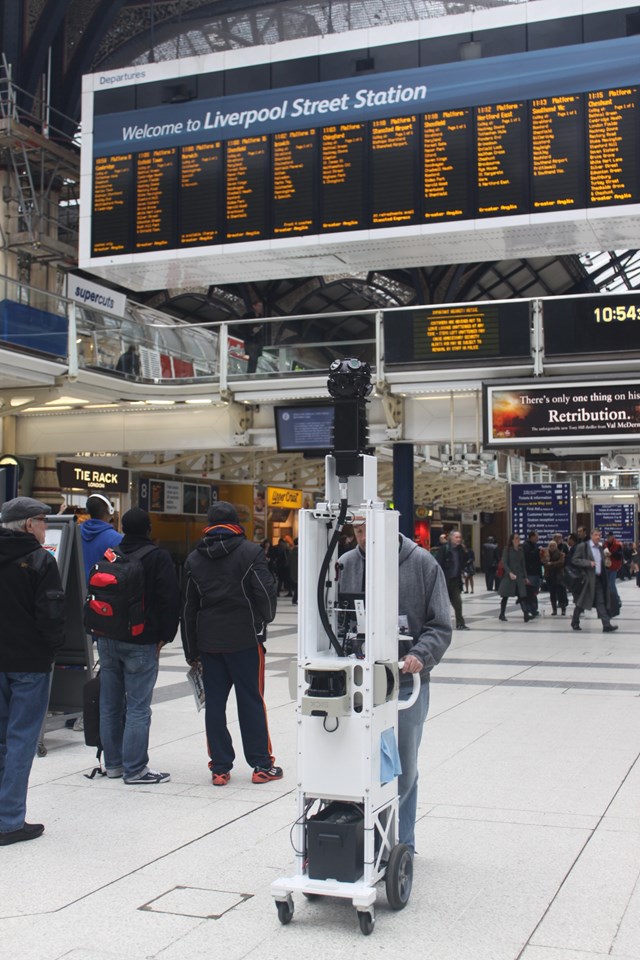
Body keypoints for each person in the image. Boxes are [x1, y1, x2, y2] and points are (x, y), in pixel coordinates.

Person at [338, 520, 451, 854]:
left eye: (368, 529)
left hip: (404, 682)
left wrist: (421, 653)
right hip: (358, 682)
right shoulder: (346, 564)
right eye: (357, 531)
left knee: (402, 765)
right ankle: (361, 838)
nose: (362, 537)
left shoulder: (422, 563)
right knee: (356, 762)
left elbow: (441, 623)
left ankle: (402, 844)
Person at [181, 501, 281, 786]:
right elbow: (264, 592)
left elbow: (188, 608)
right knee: (251, 700)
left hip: (209, 643)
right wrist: (264, 621)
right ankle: (262, 765)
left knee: (214, 704)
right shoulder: (250, 552)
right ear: (236, 522)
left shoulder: (193, 560)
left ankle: (220, 768)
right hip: (246, 640)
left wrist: (192, 651)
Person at [97, 508, 180, 784]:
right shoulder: (158, 557)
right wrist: (164, 637)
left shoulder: (111, 554)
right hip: (141, 641)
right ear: (148, 528)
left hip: (108, 638)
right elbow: (170, 600)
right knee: (138, 707)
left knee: (110, 705)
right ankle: (135, 769)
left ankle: (114, 765)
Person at [0, 497, 66, 845]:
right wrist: (52, 649)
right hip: (29, 664)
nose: (45, 526)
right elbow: (51, 616)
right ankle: (10, 820)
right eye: (42, 520)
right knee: (22, 739)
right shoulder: (41, 560)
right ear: (28, 524)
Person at [570, 529, 618, 633]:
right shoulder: (584, 546)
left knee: (600, 602)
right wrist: (588, 563)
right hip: (587, 580)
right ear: (591, 536)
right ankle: (575, 621)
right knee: (581, 602)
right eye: (596, 535)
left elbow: (600, 562)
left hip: (598, 579)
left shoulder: (600, 548)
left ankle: (606, 624)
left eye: (599, 535)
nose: (598, 537)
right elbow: (574, 560)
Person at [80, 493, 122, 583]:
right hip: (103, 593)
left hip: (77, 590)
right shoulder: (116, 539)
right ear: (109, 510)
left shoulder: (76, 532)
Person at [436, 530, 469, 630]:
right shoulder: (444, 549)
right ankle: (439, 624)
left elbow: (464, 562)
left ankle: (460, 623)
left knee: (458, 603)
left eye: (460, 537)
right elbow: (438, 564)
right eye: (456, 537)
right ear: (451, 538)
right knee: (442, 605)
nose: (459, 539)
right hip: (445, 581)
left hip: (455, 581)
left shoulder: (460, 550)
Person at [498, 532, 531, 622]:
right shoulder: (507, 549)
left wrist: (526, 577)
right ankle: (502, 614)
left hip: (519, 576)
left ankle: (525, 614)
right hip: (509, 577)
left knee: (522, 595)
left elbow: (523, 564)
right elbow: (504, 562)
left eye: (518, 538)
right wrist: (509, 573)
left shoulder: (521, 550)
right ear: (512, 540)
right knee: (505, 596)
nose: (518, 540)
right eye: (516, 538)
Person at [544, 539, 567, 615]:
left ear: (556, 546)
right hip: (550, 577)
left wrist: (551, 564)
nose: (552, 547)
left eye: (553, 545)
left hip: (559, 576)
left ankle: (563, 609)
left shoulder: (561, 554)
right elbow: (545, 564)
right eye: (550, 546)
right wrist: (552, 564)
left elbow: (561, 563)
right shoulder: (546, 555)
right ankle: (554, 610)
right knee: (552, 594)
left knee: (561, 594)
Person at [522, 529, 542, 617]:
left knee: (533, 592)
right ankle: (531, 609)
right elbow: (527, 557)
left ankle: (533, 609)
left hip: (535, 572)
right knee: (530, 592)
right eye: (537, 536)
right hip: (530, 572)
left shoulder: (534, 545)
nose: (538, 538)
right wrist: (538, 552)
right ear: (532, 537)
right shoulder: (526, 545)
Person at [603, 531, 623, 611]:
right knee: (608, 585)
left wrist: (612, 554)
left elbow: (620, 555)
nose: (608, 538)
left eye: (609, 537)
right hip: (606, 566)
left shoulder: (618, 545)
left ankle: (617, 600)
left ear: (612, 536)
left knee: (611, 585)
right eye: (607, 537)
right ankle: (612, 600)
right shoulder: (605, 544)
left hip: (614, 567)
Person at [289, 537, 299, 605]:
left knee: (297, 587)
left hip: (294, 571)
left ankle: (295, 599)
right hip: (296, 572)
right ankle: (295, 600)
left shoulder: (293, 550)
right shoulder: (297, 550)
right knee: (297, 587)